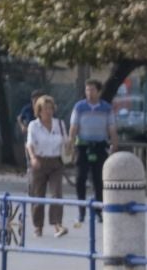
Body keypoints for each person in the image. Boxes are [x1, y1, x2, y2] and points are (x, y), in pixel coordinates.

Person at [69, 79, 117, 225]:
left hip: (100, 146)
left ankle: (98, 211)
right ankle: (81, 210)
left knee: (98, 180)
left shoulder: (106, 108)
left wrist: (114, 145)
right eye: (87, 90)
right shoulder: (79, 107)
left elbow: (112, 128)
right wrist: (71, 146)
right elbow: (73, 128)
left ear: (98, 91)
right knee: (80, 178)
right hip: (83, 146)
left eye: (92, 90)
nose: (89, 93)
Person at [24, 95, 70, 239]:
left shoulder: (60, 124)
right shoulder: (33, 125)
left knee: (57, 194)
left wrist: (70, 146)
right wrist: (32, 158)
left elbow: (66, 141)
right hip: (39, 162)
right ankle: (38, 226)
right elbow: (30, 144)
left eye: (50, 108)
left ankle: (57, 224)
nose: (48, 112)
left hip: (56, 162)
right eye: (45, 109)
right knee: (38, 196)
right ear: (39, 111)